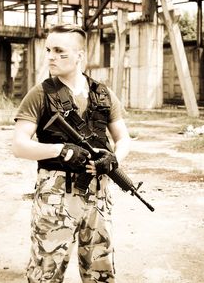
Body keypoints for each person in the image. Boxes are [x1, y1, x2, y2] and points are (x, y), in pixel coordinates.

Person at [12, 24, 131, 283]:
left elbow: (123, 138)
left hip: (98, 197)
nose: (51, 57)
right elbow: (19, 145)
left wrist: (115, 158)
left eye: (60, 51)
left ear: (80, 55)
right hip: (56, 197)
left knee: (101, 272)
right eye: (49, 50)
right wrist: (61, 150)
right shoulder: (40, 93)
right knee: (46, 272)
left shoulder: (103, 93)